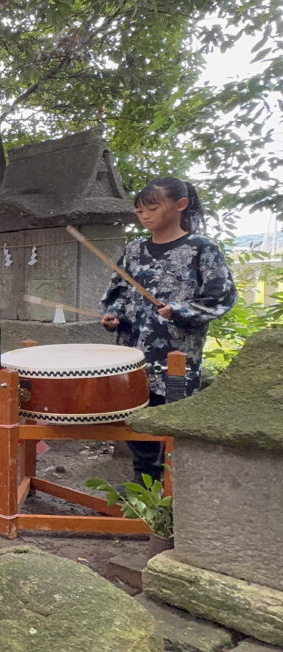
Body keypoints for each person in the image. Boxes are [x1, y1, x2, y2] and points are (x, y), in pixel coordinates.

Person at [100, 176, 237, 482]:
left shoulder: (202, 248)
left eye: (152, 207)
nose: (145, 215)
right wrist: (112, 315)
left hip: (176, 353)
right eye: (139, 211)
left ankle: (172, 493)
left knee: (171, 419)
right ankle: (143, 484)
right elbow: (117, 291)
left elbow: (221, 296)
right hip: (131, 352)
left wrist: (182, 311)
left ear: (181, 205)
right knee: (133, 417)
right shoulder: (134, 250)